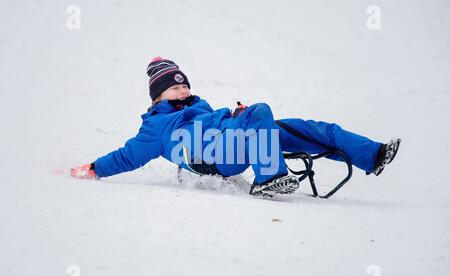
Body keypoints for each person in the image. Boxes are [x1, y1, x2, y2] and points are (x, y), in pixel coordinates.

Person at [70, 57, 401, 198]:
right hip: (216, 157)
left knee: (309, 128)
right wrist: (94, 168)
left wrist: (235, 115)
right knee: (261, 110)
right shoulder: (155, 128)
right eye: (174, 89)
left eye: (184, 87)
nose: (182, 92)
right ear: (158, 97)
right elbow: (128, 157)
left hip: (235, 138)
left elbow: (219, 122)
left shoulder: (199, 105)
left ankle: (371, 154)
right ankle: (270, 177)